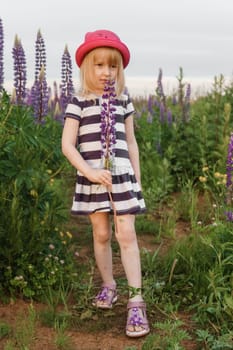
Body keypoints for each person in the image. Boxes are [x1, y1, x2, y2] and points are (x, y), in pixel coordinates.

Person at [61, 29, 150, 338]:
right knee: (101, 234)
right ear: (87, 67)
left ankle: (136, 300)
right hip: (93, 177)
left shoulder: (124, 101)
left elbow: (133, 142)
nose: (106, 72)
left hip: (121, 175)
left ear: (119, 70)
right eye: (99, 65)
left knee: (126, 232)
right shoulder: (78, 102)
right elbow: (68, 146)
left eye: (112, 66)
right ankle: (109, 285)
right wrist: (88, 171)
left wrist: (136, 176)